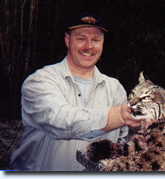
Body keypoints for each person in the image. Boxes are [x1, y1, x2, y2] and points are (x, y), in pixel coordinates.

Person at [10, 13, 145, 171]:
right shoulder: (39, 82)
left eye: (96, 40)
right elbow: (61, 121)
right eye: (81, 38)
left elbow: (121, 145)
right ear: (67, 40)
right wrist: (118, 116)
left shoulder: (115, 88)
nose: (89, 46)